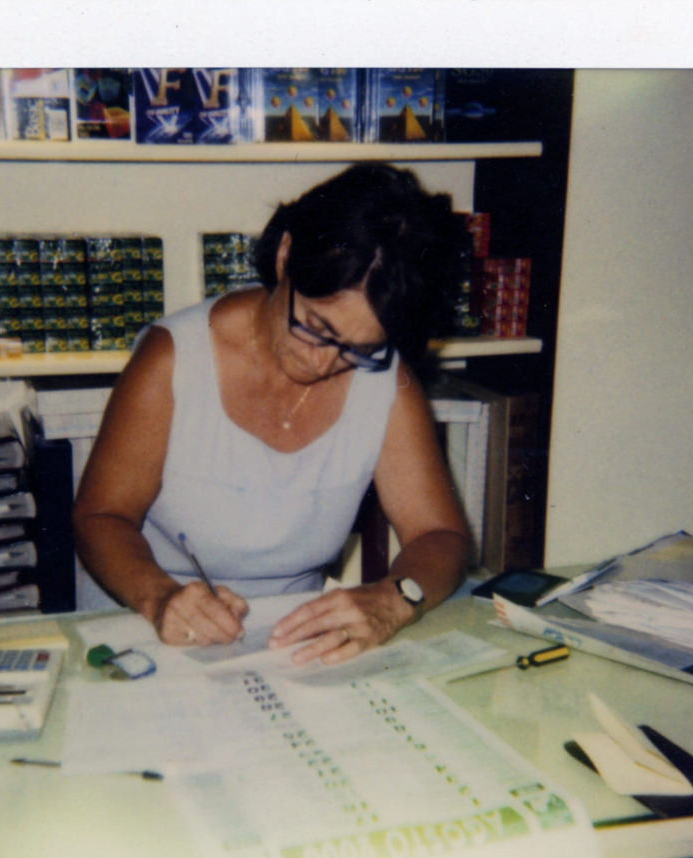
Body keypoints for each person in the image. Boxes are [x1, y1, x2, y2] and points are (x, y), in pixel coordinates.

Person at [73, 163, 471, 665]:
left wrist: (395, 599)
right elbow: (100, 516)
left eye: (359, 349)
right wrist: (159, 597)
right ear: (285, 257)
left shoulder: (388, 383)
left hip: (287, 642)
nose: (323, 363)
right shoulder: (172, 359)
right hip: (148, 625)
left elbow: (441, 536)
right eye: (315, 327)